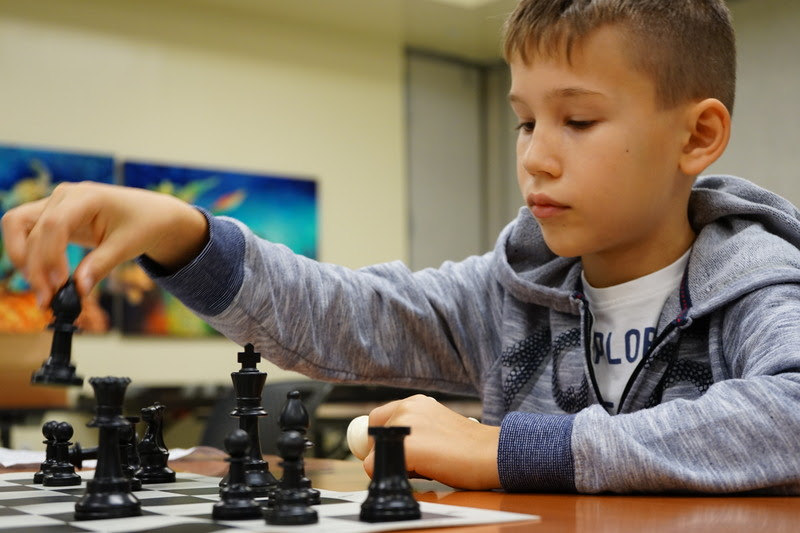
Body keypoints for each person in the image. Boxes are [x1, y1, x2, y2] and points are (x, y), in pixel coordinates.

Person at [3, 0, 800, 494]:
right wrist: (186, 233)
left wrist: (502, 451)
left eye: (578, 121)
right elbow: (345, 316)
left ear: (698, 136)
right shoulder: (509, 290)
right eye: (526, 120)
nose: (535, 155)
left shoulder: (759, 283)